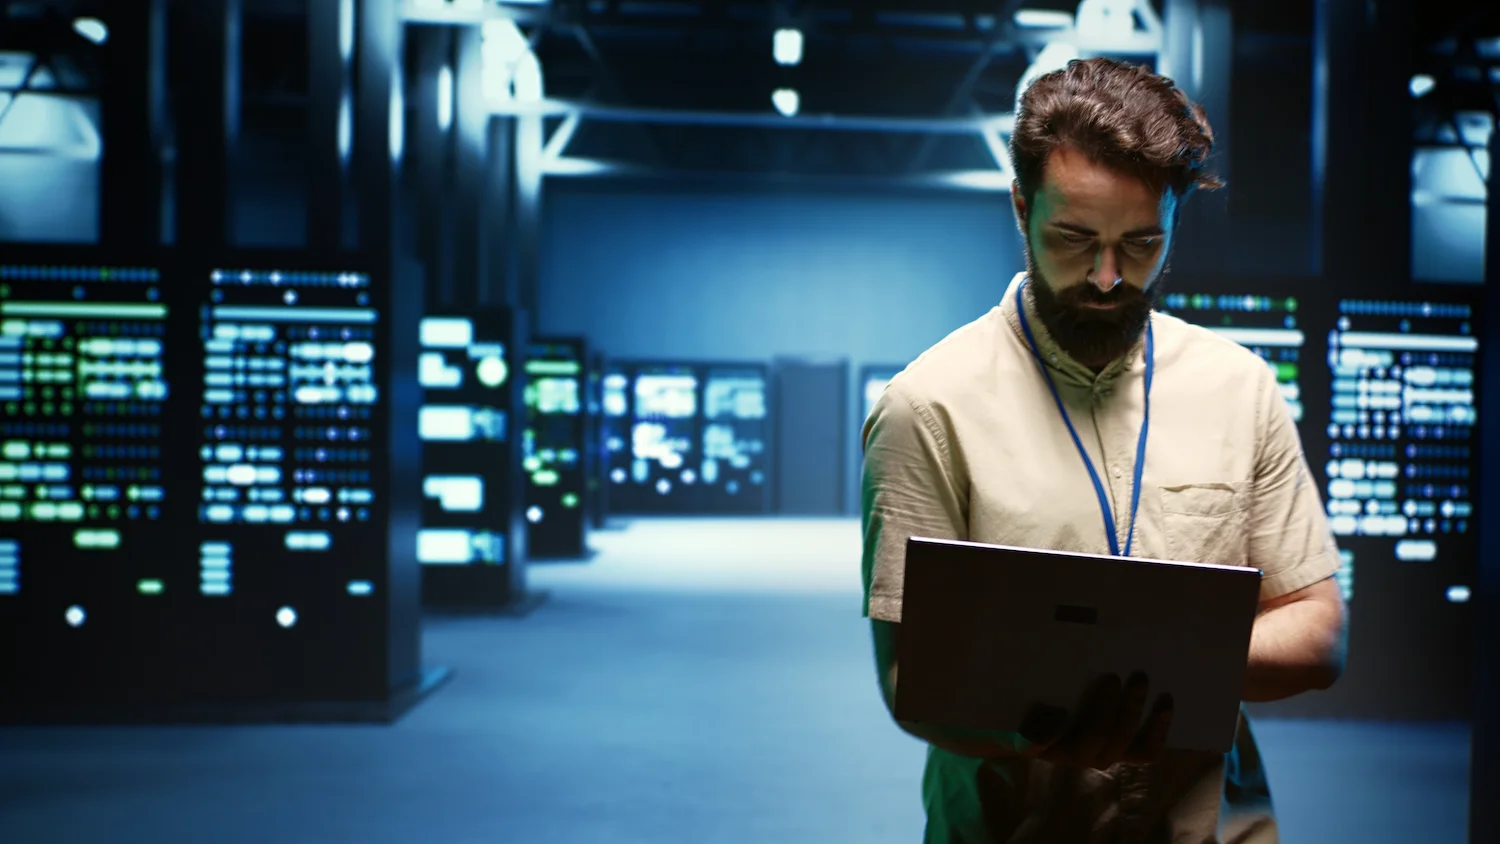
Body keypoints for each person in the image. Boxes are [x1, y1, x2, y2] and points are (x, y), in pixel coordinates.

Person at [859, 57, 1349, 843]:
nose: (1111, 276)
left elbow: (1319, 628)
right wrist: (1033, 727)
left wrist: (1131, 668)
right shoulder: (928, 407)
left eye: (1143, 242)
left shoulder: (1240, 388)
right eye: (1074, 238)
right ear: (1021, 209)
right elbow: (907, 679)